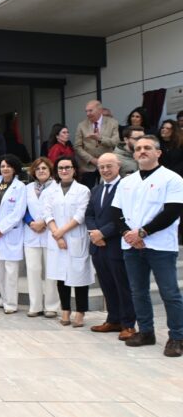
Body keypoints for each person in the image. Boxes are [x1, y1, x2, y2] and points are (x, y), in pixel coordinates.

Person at [112, 135, 183, 357]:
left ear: (158, 153)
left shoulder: (172, 179)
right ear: (134, 154)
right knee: (138, 291)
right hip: (131, 246)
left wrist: (143, 232)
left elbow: (172, 212)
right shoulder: (126, 182)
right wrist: (128, 234)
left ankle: (177, 337)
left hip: (160, 246)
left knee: (170, 293)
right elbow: (116, 212)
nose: (142, 151)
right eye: (138, 148)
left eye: (147, 148)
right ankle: (146, 332)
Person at [85, 153, 136, 340]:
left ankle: (128, 324)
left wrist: (103, 233)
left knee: (123, 286)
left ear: (118, 166)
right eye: (102, 167)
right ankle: (113, 320)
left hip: (116, 244)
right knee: (106, 285)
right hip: (98, 246)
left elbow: (125, 216)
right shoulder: (96, 189)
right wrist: (94, 233)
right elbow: (89, 214)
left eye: (109, 166)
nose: (105, 170)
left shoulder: (126, 188)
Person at [43, 155, 93, 328]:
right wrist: (57, 235)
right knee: (61, 277)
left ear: (74, 170)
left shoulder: (83, 190)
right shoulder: (50, 191)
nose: (64, 171)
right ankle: (65, 310)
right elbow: (47, 214)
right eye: (60, 168)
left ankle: (80, 312)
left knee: (79, 277)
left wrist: (61, 232)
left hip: (75, 237)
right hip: (56, 238)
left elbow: (80, 215)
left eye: (67, 167)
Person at [0, 155, 27, 314]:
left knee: (10, 270)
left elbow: (18, 212)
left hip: (10, 233)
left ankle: (11, 303)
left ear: (14, 168)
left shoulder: (20, 187)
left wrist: (1, 229)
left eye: (8, 166)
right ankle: (3, 298)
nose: (5, 169)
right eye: (3, 166)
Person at [23, 157, 59, 318]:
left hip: (50, 233)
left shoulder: (57, 187)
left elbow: (58, 209)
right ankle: (35, 305)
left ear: (50, 170)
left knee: (51, 271)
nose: (41, 171)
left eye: (44, 168)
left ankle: (51, 306)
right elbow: (22, 209)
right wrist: (31, 222)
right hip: (31, 233)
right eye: (38, 169)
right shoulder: (27, 188)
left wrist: (44, 222)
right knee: (32, 270)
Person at [74, 100, 120, 188]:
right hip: (88, 166)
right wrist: (91, 159)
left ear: (100, 110)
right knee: (87, 191)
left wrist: (100, 139)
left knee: (107, 189)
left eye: (90, 111)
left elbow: (115, 142)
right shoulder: (81, 125)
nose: (87, 114)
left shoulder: (112, 123)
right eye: (86, 111)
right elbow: (77, 147)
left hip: (107, 165)